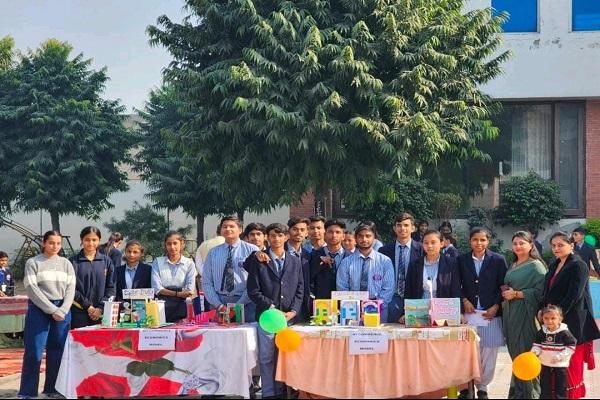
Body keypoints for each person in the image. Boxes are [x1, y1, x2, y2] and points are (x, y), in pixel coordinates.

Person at [540, 231, 600, 399]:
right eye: (553, 245)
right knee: (553, 363)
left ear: (571, 245)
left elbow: (574, 295)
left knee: (570, 364)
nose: (556, 248)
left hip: (572, 321)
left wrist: (557, 317)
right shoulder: (555, 264)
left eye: (561, 245)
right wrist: (541, 309)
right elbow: (547, 291)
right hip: (552, 321)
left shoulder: (578, 265)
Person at [247, 223, 304, 399]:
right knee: (267, 357)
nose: (276, 239)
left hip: (289, 318)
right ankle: (269, 393)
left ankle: (284, 391)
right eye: (272, 235)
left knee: (287, 357)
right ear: (267, 238)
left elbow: (300, 288)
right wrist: (271, 308)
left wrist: (293, 311)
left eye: (280, 235)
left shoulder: (295, 260)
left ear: (286, 237)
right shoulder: (259, 260)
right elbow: (253, 291)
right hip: (267, 318)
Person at [18, 231, 75, 398]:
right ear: (44, 243)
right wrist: (52, 309)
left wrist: (63, 309)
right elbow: (32, 289)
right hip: (39, 309)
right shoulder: (33, 262)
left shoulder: (66, 264)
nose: (55, 246)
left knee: (58, 350)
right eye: (51, 243)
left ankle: (53, 389)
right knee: (34, 350)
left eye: (58, 243)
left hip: (63, 310)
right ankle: (27, 392)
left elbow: (71, 288)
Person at [458, 227, 508, 400]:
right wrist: (464, 301)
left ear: (488, 241)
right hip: (469, 314)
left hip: (490, 313)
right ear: (469, 241)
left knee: (489, 350)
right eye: (475, 240)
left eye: (482, 240)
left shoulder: (498, 260)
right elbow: (456, 285)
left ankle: (483, 387)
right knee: (467, 351)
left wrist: (496, 306)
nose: (479, 243)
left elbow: (503, 285)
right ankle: (466, 386)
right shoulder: (461, 260)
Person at [501, 231, 547, 399]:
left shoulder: (535, 265)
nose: (518, 246)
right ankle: (518, 393)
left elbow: (541, 292)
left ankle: (532, 395)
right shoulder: (513, 264)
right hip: (510, 314)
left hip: (526, 315)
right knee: (516, 357)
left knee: (525, 357)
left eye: (522, 243)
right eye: (515, 243)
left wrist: (518, 294)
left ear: (530, 245)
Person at [203, 216, 258, 322]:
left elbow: (255, 282)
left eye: (232, 226)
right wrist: (218, 305)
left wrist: (238, 306)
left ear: (240, 230)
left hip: (245, 302)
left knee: (245, 336)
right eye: (224, 227)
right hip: (219, 303)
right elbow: (206, 282)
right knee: (219, 337)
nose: (228, 229)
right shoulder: (212, 253)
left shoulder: (252, 250)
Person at [336, 222, 394, 322]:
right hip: (352, 309)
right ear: (356, 238)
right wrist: (353, 305)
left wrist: (374, 306)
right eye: (361, 236)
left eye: (368, 236)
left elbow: (388, 289)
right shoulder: (346, 262)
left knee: (377, 336)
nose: (364, 239)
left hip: (379, 309)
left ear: (374, 238)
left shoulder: (385, 261)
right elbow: (342, 287)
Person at [402, 230, 461, 319]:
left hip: (444, 308)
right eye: (426, 243)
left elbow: (456, 289)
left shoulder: (451, 263)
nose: (429, 246)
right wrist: (406, 312)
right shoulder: (415, 264)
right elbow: (408, 291)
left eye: (433, 242)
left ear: (441, 243)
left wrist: (458, 312)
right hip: (419, 309)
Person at [379, 212, 424, 323]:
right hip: (391, 299)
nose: (402, 228)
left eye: (406, 225)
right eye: (399, 225)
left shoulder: (422, 250)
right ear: (394, 228)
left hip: (416, 299)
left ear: (413, 228)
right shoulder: (384, 251)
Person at [70, 226, 116, 329]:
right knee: (81, 344)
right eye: (87, 240)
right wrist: (88, 307)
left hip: (102, 313)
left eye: (94, 240)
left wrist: (100, 308)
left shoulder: (106, 261)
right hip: (79, 312)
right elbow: (70, 288)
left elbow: (111, 288)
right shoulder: (73, 262)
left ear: (99, 240)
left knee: (102, 344)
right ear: (82, 240)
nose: (91, 243)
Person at [532, 305, 577, 400]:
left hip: (560, 364)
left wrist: (560, 356)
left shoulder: (564, 332)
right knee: (545, 385)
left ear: (560, 319)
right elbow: (537, 345)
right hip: (544, 363)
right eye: (546, 318)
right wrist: (534, 352)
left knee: (561, 385)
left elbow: (571, 347)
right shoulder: (542, 332)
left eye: (553, 318)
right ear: (542, 319)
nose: (549, 321)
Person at [151, 231, 196, 322]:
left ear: (182, 244)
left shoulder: (189, 263)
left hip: (182, 306)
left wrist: (179, 293)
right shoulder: (158, 262)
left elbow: (189, 290)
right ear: (165, 245)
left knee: (181, 335)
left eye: (175, 243)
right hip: (162, 306)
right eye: (169, 244)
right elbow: (157, 289)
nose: (172, 247)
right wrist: (178, 294)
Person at [310, 219, 348, 299]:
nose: (334, 235)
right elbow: (309, 279)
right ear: (325, 234)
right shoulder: (314, 255)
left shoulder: (350, 257)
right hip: (321, 304)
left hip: (346, 303)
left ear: (343, 236)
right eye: (330, 232)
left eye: (338, 232)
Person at [285, 216, 312, 322]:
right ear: (289, 231)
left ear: (306, 233)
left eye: (302, 230)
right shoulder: (279, 251)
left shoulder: (308, 255)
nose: (298, 233)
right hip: (282, 307)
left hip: (302, 308)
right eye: (295, 229)